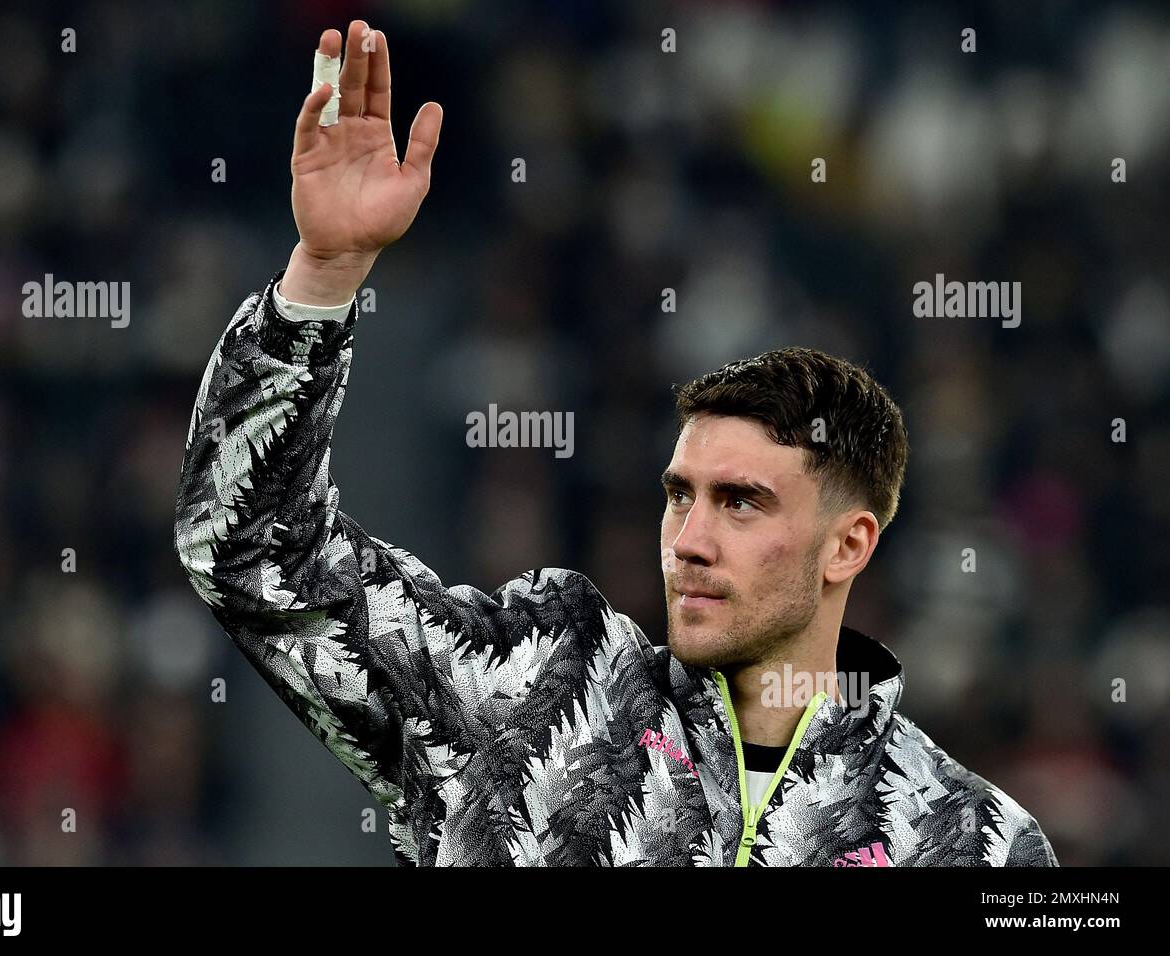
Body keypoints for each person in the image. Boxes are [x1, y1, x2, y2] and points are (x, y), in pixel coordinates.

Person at [173, 20, 1058, 867]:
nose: (689, 540)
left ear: (849, 544)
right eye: (682, 495)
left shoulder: (970, 841)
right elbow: (256, 556)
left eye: (741, 502)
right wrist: (322, 280)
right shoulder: (534, 691)